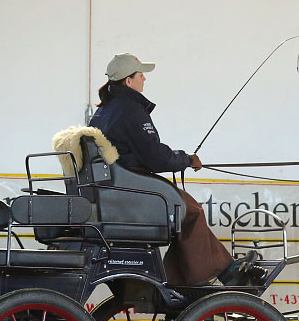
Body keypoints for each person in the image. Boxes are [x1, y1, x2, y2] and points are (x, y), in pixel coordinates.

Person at [88, 53, 251, 286]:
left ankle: (187, 275)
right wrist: (186, 159)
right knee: (190, 211)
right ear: (128, 81)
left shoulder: (104, 110)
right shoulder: (131, 110)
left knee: (185, 210)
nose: (144, 78)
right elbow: (155, 158)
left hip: (117, 184)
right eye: (140, 74)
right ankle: (210, 275)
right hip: (132, 185)